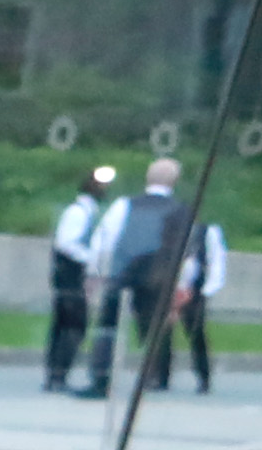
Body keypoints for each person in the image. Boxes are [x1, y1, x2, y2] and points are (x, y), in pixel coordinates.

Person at [92, 152, 206, 402]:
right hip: (159, 276)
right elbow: (188, 253)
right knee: (155, 327)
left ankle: (100, 377)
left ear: (147, 177)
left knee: (108, 326)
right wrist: (184, 284)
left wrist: (98, 271)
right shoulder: (182, 211)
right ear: (175, 182)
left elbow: (105, 239)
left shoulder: (125, 204)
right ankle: (155, 376)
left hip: (124, 272)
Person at [46, 159, 123, 389]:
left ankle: (57, 374)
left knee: (68, 327)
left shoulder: (89, 213)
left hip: (75, 278)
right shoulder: (77, 213)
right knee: (72, 327)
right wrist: (92, 261)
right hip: (71, 278)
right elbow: (66, 244)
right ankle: (57, 375)